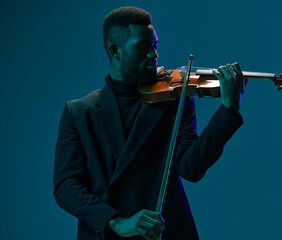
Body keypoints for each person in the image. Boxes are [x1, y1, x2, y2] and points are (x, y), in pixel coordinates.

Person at [54, 7, 247, 240]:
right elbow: (66, 185)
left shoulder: (175, 97)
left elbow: (190, 168)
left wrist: (228, 110)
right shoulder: (79, 111)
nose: (153, 55)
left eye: (154, 45)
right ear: (115, 50)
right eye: (143, 47)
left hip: (167, 231)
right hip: (109, 234)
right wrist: (116, 221)